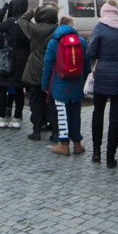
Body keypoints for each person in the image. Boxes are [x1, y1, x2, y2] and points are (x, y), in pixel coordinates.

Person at [87, 0, 118, 168]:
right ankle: (111, 158)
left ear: (103, 11)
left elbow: (91, 51)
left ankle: (96, 152)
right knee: (115, 118)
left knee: (98, 113)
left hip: (103, 73)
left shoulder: (100, 26)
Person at [42, 14, 90, 156]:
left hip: (59, 84)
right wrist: (84, 81)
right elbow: (86, 64)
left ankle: (63, 145)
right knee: (75, 114)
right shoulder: (81, 42)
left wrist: (45, 85)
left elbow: (47, 66)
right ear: (72, 26)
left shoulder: (53, 43)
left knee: (62, 114)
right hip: (77, 83)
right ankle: (77, 144)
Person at [18, 3, 60, 141]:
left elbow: (22, 21)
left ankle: (36, 131)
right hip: (52, 69)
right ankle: (55, 132)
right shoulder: (58, 29)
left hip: (35, 68)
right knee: (52, 102)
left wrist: (32, 11)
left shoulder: (34, 29)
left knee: (35, 101)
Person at [0, 0, 32, 129]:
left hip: (8, 59)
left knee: (3, 88)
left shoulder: (10, 22)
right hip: (23, 60)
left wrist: (4, 8)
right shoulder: (28, 23)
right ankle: (16, 119)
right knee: (19, 89)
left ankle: (1, 117)